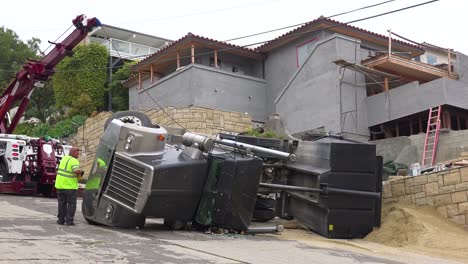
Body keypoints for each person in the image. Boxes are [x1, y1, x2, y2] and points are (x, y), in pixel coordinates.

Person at [55, 147, 83, 226]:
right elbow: (75, 171)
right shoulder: (74, 161)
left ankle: (60, 220)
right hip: (70, 186)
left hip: (60, 185)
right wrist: (81, 171)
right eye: (77, 153)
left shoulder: (64, 159)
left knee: (61, 204)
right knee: (71, 204)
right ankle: (69, 221)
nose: (78, 155)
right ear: (73, 153)